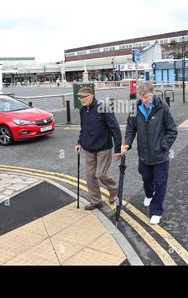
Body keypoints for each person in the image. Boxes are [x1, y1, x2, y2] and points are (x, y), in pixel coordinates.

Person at [121, 82, 178, 225]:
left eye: (146, 97)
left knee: (160, 182)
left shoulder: (162, 107)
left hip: (160, 155)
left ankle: (156, 211)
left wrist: (163, 146)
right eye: (141, 97)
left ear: (153, 94)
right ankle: (148, 194)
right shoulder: (136, 108)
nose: (144, 100)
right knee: (146, 177)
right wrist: (127, 142)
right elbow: (130, 129)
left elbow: (172, 130)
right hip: (144, 155)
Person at [75, 86, 122, 210]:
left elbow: (115, 128)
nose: (82, 100)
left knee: (101, 174)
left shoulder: (103, 108)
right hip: (88, 148)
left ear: (91, 96)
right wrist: (79, 142)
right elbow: (83, 128)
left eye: (84, 97)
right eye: (80, 98)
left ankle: (113, 190)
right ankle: (96, 201)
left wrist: (118, 149)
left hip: (103, 147)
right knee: (90, 176)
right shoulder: (83, 110)